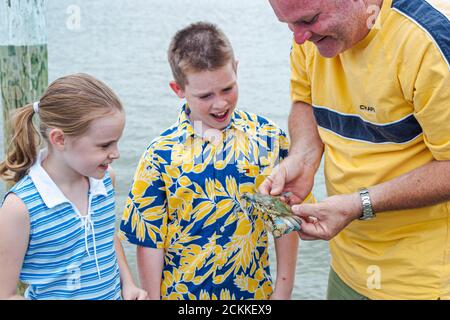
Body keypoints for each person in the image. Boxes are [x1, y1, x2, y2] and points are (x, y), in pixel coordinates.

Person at [262, 0, 450, 299]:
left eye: (310, 19)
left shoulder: (430, 40)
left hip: (423, 281)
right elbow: (305, 100)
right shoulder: (309, 37)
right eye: (289, 24)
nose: (298, 37)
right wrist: (303, 159)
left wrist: (360, 204)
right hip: (346, 268)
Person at [119, 22, 309, 300]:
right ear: (178, 89)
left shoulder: (268, 138)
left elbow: (283, 220)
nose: (220, 104)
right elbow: (150, 241)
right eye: (205, 96)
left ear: (236, 68)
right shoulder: (160, 154)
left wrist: (283, 291)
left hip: (254, 295)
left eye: (227, 88)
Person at [0, 73, 147, 300]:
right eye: (105, 145)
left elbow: (107, 238)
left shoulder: (105, 180)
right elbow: (5, 293)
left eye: (117, 141)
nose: (116, 153)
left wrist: (128, 283)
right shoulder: (19, 208)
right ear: (59, 139)